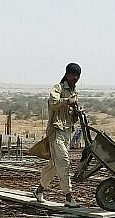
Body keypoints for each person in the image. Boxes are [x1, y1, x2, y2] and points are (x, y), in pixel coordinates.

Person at [34, 62, 81, 207]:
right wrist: (67, 101)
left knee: (55, 164)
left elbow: (71, 114)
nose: (75, 78)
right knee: (64, 161)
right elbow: (53, 103)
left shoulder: (74, 91)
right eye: (73, 75)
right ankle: (68, 197)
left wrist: (76, 111)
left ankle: (39, 190)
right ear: (67, 74)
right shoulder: (58, 88)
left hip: (67, 132)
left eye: (77, 76)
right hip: (56, 131)